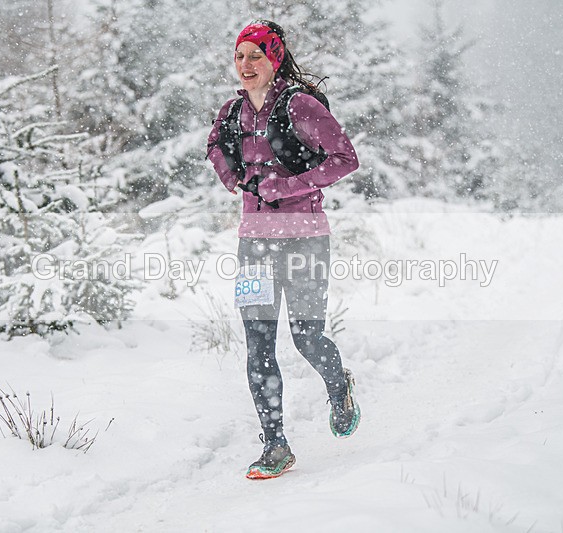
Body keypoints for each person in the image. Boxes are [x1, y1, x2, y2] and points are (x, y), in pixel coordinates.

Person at [206, 20, 361, 480]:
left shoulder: (300, 106)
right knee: (258, 346)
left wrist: (287, 185)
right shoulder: (232, 112)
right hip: (253, 244)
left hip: (304, 239)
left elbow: (345, 159)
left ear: (274, 59)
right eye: (240, 56)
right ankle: (275, 445)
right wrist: (233, 177)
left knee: (306, 337)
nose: (246, 64)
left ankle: (339, 386)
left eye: (256, 55)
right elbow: (214, 145)